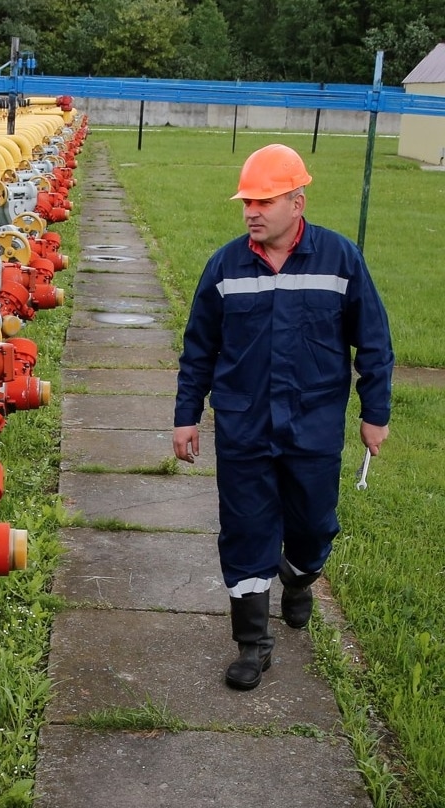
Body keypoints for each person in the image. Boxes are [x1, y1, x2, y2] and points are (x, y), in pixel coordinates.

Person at [172, 143, 394, 691]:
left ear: (297, 201)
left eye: (264, 200)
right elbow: (199, 348)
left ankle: (299, 579)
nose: (251, 211)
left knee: (314, 525)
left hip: (313, 427)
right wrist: (185, 416)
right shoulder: (224, 267)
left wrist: (376, 413)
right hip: (244, 428)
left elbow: (373, 342)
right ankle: (253, 644)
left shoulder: (341, 260)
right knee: (246, 532)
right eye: (247, 200)